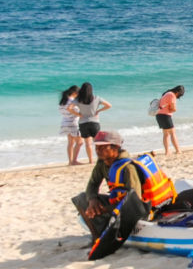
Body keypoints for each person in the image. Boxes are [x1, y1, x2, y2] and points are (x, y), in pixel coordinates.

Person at [72, 130, 177, 258]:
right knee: (81, 199)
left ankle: (106, 231)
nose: (98, 150)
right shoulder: (102, 163)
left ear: (115, 147)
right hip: (117, 204)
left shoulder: (128, 167)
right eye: (97, 147)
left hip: (136, 208)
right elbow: (93, 184)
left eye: (103, 147)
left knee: (102, 208)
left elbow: (134, 200)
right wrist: (92, 201)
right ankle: (96, 237)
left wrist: (104, 209)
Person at [69, 82, 111, 165]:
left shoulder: (78, 100)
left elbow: (69, 108)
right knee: (97, 142)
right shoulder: (96, 98)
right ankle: (101, 159)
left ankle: (91, 161)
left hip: (83, 123)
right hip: (94, 122)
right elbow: (109, 105)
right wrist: (98, 111)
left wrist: (78, 114)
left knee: (88, 143)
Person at [155, 85, 185, 155]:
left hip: (159, 115)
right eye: (180, 95)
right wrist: (174, 109)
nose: (179, 96)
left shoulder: (167, 93)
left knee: (166, 134)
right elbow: (173, 108)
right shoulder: (172, 95)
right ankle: (178, 150)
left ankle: (167, 151)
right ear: (178, 92)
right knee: (172, 133)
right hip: (165, 116)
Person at [58, 85, 82, 165]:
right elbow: (74, 111)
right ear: (75, 93)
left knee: (70, 143)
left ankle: (70, 161)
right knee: (79, 142)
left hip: (64, 123)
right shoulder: (72, 101)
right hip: (73, 123)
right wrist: (80, 115)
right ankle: (74, 160)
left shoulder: (62, 101)